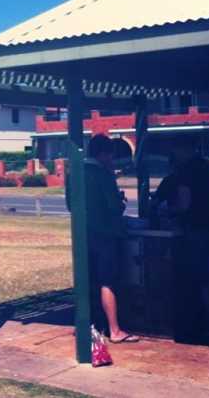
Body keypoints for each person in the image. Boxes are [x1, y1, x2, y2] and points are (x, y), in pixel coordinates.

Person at [68, 134, 139, 343]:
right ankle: (115, 330)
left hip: (83, 235)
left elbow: (71, 206)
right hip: (105, 235)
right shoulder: (103, 174)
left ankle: (85, 326)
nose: (112, 160)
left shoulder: (74, 173)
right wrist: (120, 201)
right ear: (103, 154)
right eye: (111, 155)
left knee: (86, 281)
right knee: (107, 282)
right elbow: (115, 207)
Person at [165, 140, 209, 342]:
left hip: (197, 231)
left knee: (201, 281)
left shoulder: (186, 171)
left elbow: (184, 203)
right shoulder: (208, 167)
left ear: (182, 149)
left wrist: (168, 210)